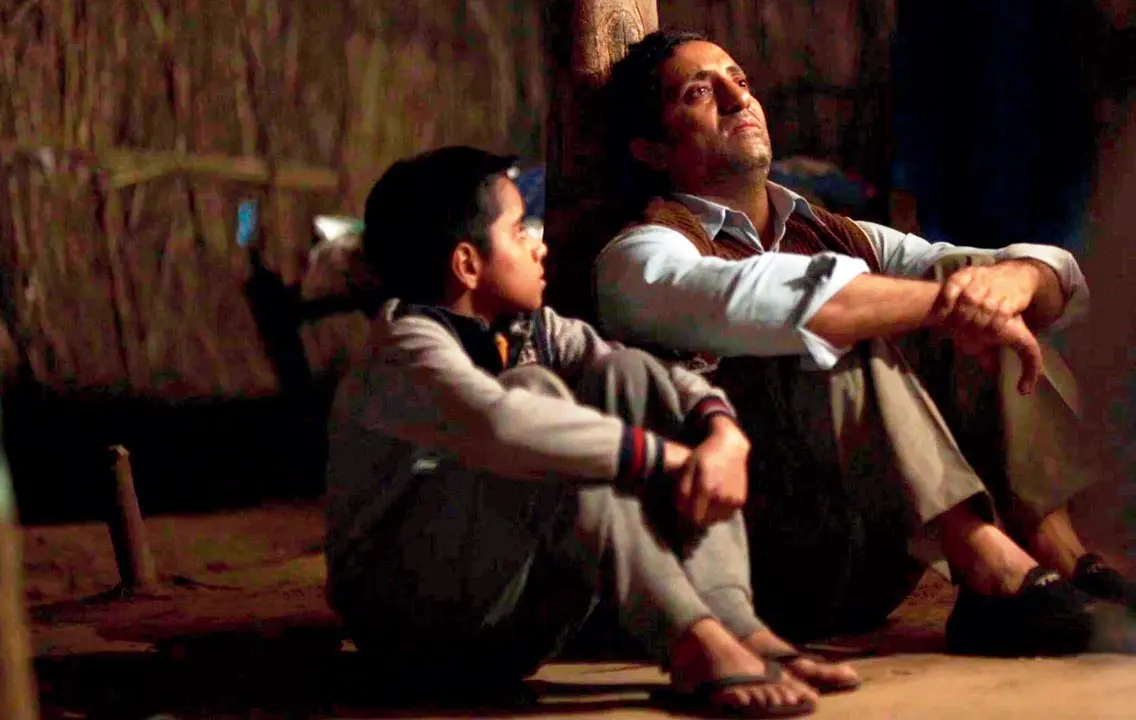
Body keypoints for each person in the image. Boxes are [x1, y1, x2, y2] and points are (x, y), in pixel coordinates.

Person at [589, 31, 1136, 657]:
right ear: (651, 149)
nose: (737, 98)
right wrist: (954, 305)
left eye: (739, 81)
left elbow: (1056, 285)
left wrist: (1014, 279)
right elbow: (790, 302)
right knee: (831, 326)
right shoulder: (637, 256)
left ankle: (1055, 553)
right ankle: (987, 566)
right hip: (759, 563)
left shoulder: (839, 233)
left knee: (971, 281)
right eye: (699, 92)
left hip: (871, 557)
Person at [323, 145, 863, 718]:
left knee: (625, 373)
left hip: (508, 617)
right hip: (411, 633)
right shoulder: (405, 346)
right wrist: (672, 460)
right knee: (539, 407)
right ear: (467, 264)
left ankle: (736, 627)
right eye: (520, 231)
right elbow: (503, 425)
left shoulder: (531, 329)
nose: (539, 244)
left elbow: (664, 382)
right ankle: (693, 643)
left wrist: (722, 433)